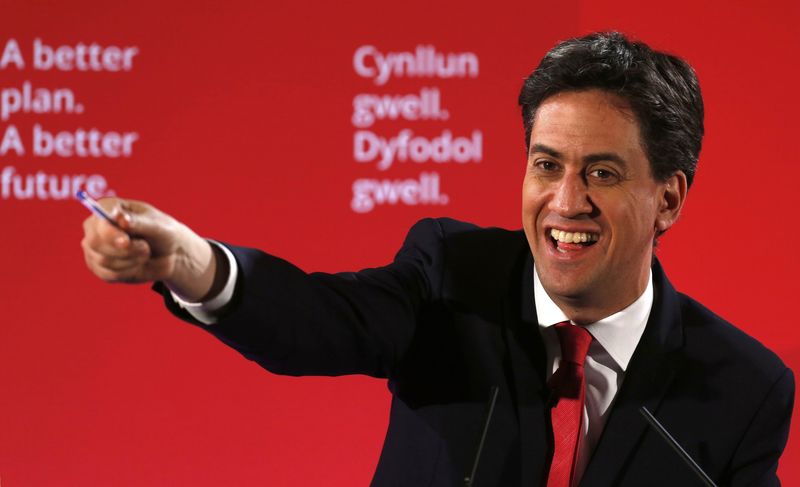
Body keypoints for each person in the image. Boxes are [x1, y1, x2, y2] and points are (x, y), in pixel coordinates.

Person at [81, 32, 793, 486]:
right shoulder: (451, 274)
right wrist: (192, 262)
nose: (564, 201)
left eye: (602, 173)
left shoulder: (744, 388)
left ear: (668, 199)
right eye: (546, 165)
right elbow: (314, 321)